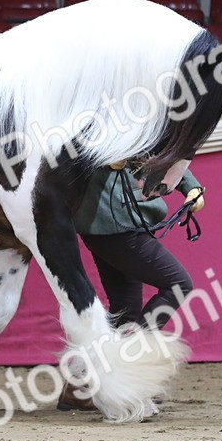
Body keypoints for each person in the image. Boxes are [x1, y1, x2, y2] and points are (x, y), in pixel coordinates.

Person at [59, 161, 206, 411]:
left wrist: (189, 185)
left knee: (125, 308)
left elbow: (161, 151)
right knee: (178, 284)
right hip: (115, 221)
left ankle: (80, 385)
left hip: (114, 222)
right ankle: (127, 368)